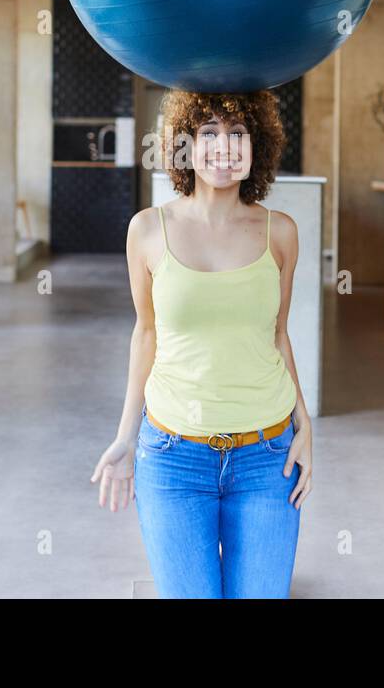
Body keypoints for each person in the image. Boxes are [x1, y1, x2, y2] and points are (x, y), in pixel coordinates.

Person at [90, 89, 314, 598]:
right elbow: (145, 334)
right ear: (186, 144)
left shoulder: (281, 233)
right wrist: (126, 437)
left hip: (267, 458)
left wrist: (306, 424)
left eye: (238, 134)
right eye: (209, 133)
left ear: (257, 145)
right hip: (173, 459)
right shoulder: (147, 230)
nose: (224, 147)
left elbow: (277, 334)